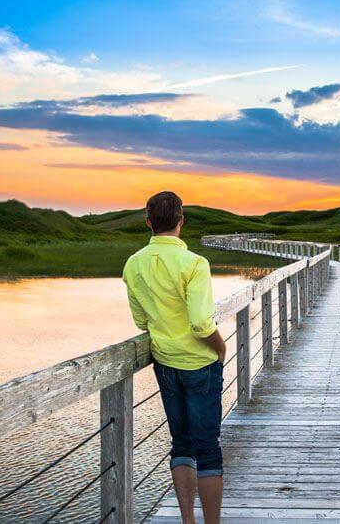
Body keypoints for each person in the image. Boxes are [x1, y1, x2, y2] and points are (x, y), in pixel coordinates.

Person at [123, 191, 226, 524]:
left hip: (165, 363)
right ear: (181, 220)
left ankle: (187, 521)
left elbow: (141, 321)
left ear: (149, 222)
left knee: (181, 444)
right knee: (207, 447)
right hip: (200, 363)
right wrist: (220, 346)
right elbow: (200, 322)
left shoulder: (133, 264)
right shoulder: (195, 263)